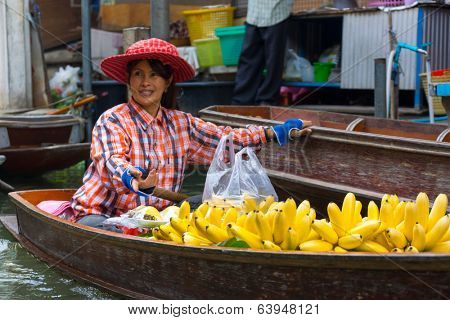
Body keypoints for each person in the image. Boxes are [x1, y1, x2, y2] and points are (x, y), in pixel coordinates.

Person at [70, 38, 306, 228]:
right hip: (105, 214)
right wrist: (133, 177)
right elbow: (112, 161)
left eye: (154, 75)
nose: (145, 82)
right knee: (106, 228)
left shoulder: (181, 124)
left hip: (155, 218)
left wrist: (273, 132)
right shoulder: (112, 120)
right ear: (129, 80)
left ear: (167, 80)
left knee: (211, 207)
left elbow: (224, 140)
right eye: (138, 74)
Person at [232, 0, 293, 106]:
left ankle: (266, 101)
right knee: (248, 60)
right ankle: (241, 103)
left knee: (273, 61)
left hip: (277, 11)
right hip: (254, 13)